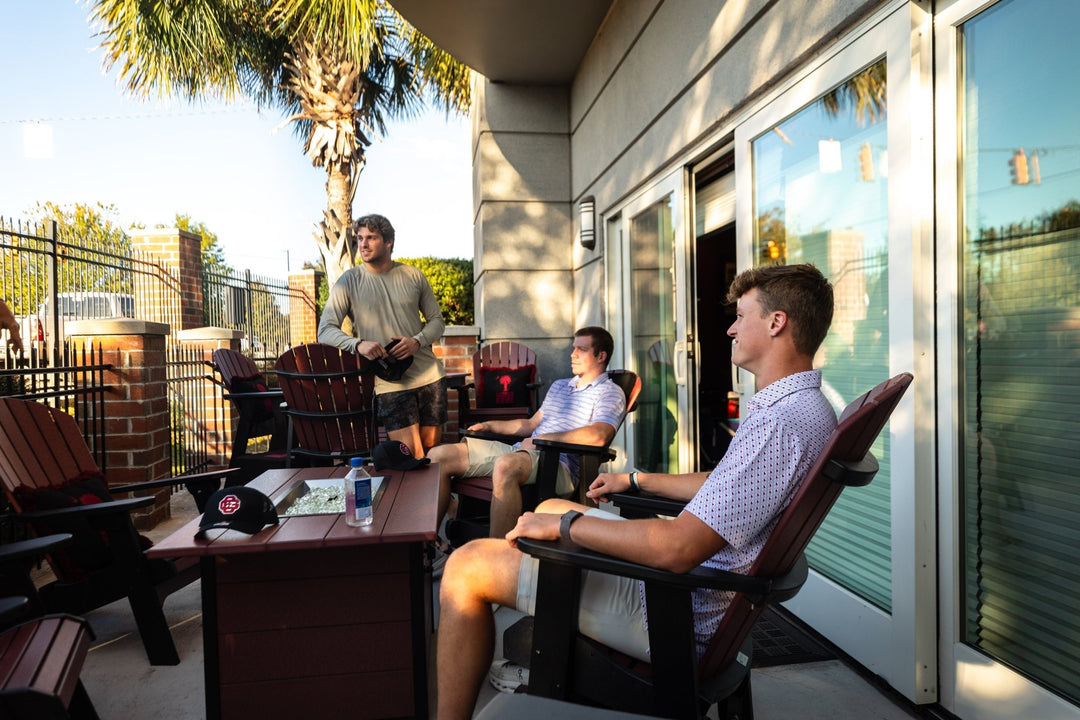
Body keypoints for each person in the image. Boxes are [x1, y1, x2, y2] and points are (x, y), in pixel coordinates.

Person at [434, 264, 837, 718]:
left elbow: (680, 548)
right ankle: (540, 623)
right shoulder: (802, 408)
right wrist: (636, 480)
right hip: (695, 591)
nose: (730, 328)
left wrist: (569, 525)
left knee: (467, 566)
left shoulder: (779, 424)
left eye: (741, 316)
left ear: (777, 322)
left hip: (671, 608)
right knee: (547, 505)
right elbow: (725, 482)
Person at [427, 326, 627, 541]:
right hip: (524, 452)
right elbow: (531, 424)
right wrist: (491, 425)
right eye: (573, 348)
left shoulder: (610, 392)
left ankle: (497, 556)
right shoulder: (560, 386)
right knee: (438, 456)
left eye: (582, 349)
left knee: (506, 464)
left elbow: (599, 435)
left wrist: (542, 440)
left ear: (601, 356)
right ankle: (429, 546)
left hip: (558, 466)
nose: (573, 354)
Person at [318, 214, 446, 458]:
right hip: (390, 381)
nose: (363, 244)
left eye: (371, 238)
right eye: (360, 238)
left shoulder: (413, 276)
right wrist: (358, 345)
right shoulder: (349, 282)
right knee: (411, 456)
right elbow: (325, 330)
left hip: (429, 376)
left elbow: (437, 322)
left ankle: (441, 498)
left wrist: (416, 341)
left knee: (433, 455)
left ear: (389, 242)